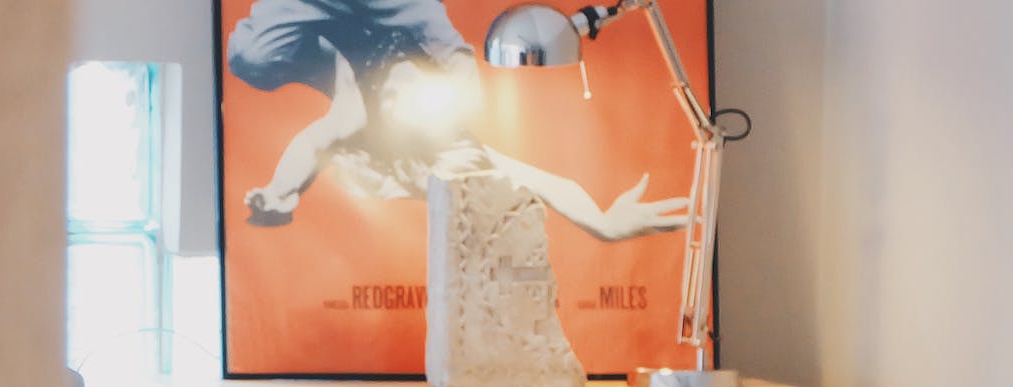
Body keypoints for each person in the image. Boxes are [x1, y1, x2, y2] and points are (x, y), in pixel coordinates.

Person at [226, 0, 689, 241]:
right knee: (254, 56)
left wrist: (278, 194)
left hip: (359, 70)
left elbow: (543, 181)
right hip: (357, 43)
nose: (394, 97)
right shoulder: (398, 74)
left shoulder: (374, 119)